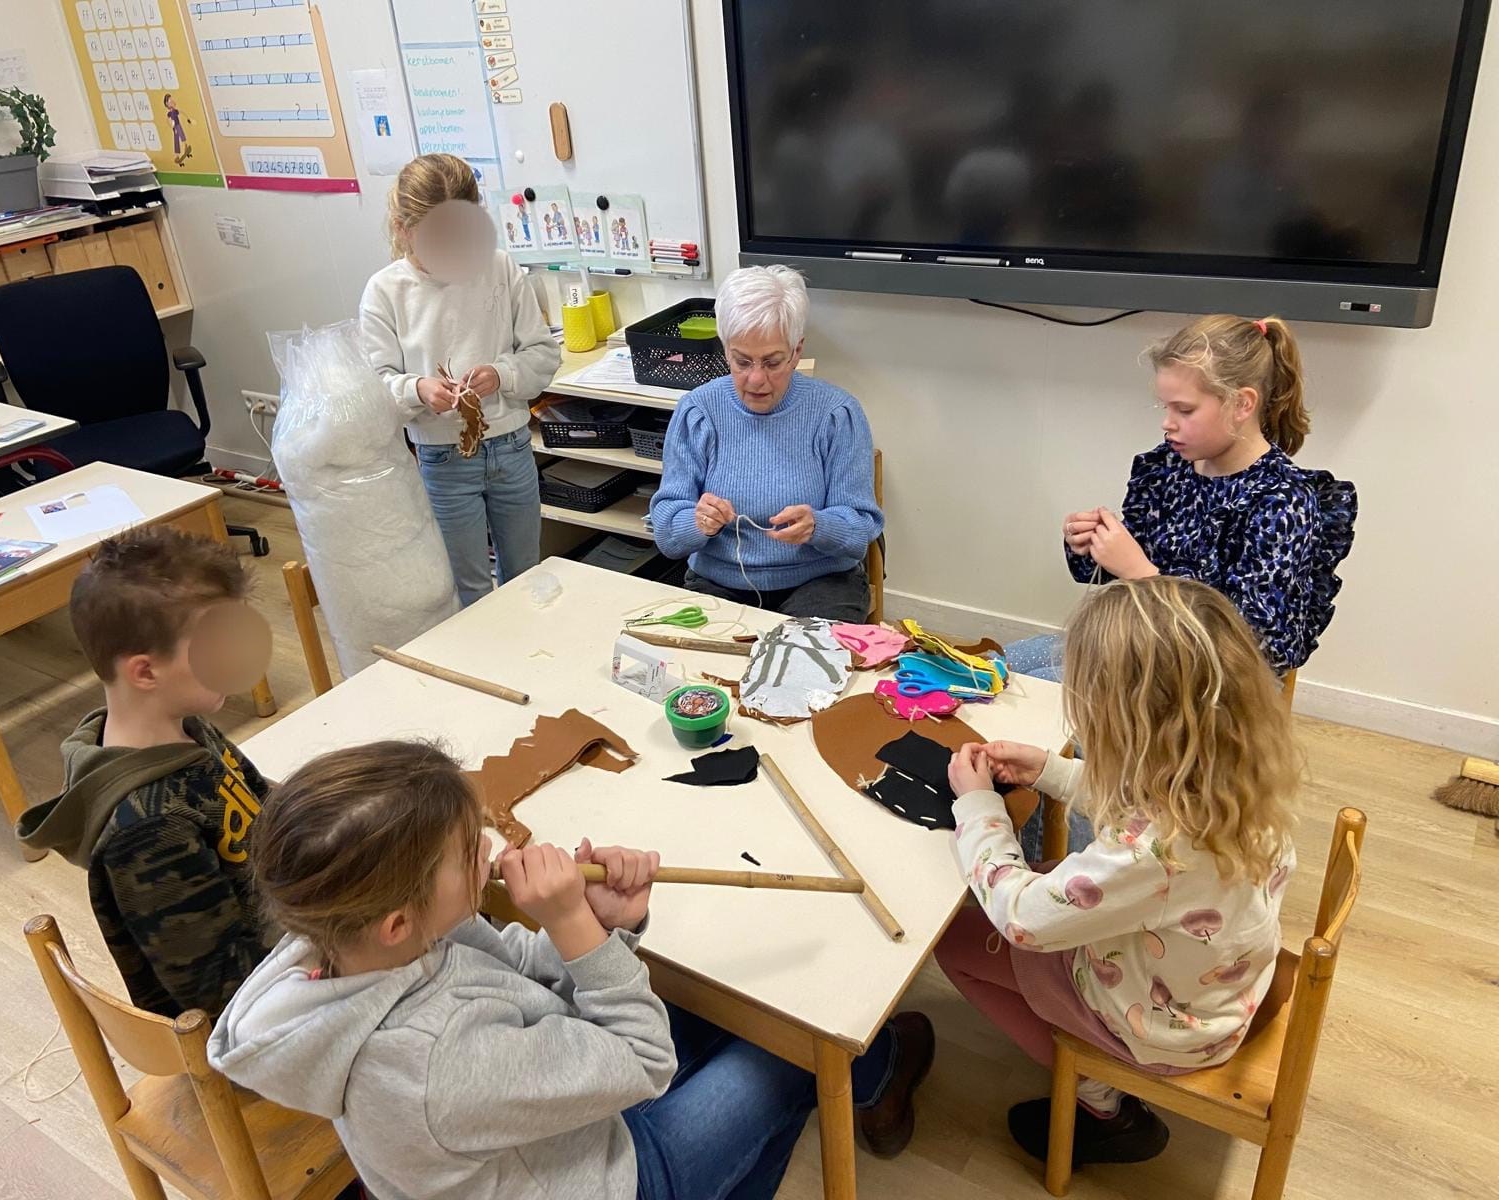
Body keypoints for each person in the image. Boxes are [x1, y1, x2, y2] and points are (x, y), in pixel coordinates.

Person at [209, 741, 937, 1200]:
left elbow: (526, 977)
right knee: (791, 1055)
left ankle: (868, 1078)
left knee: (739, 1008)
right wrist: (572, 927)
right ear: (398, 921)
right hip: (609, 1177)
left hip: (553, 1126)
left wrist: (602, 925)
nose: (491, 851)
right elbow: (644, 1059)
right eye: (466, 853)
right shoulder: (429, 1065)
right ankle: (877, 1078)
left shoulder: (350, 942)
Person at [936, 576, 1300, 1171]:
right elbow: (1140, 810)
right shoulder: (1235, 778)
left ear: (1127, 724)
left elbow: (1023, 921)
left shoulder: (1155, 850)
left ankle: (1099, 1100)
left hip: (1167, 1029)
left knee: (954, 942)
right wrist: (1051, 771)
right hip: (1219, 988)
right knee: (1044, 874)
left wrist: (978, 806)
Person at [1013, 314, 1357, 683]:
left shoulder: (1281, 500)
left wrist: (1143, 575)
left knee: (1042, 689)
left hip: (1213, 681)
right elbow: (1122, 564)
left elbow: (1252, 648)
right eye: (1165, 407)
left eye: (1185, 410)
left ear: (1242, 404)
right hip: (1143, 644)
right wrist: (1089, 545)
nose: (1168, 423)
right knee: (1001, 666)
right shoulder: (1168, 467)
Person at [16, 528, 271, 1017]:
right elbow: (224, 994)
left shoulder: (184, 727)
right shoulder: (148, 831)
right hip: (254, 1017)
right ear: (146, 672)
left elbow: (267, 809)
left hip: (292, 936)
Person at [360, 153, 561, 609]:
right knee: (469, 588)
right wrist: (417, 389)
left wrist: (501, 374)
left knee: (526, 578)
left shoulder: (499, 268)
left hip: (511, 447)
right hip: (443, 458)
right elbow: (376, 387)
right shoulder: (386, 291)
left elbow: (543, 354)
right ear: (403, 229)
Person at [650, 265, 883, 622]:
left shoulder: (837, 414)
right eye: (742, 361)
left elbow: (861, 527)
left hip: (820, 582)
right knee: (707, 656)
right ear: (725, 350)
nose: (756, 379)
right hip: (719, 582)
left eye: (772, 362)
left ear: (796, 351)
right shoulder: (698, 412)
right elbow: (667, 534)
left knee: (803, 656)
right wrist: (695, 521)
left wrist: (819, 526)